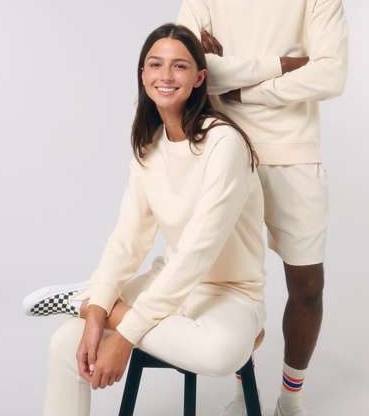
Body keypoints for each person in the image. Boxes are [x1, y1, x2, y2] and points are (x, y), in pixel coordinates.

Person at [175, 0, 348, 416]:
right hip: (224, 150)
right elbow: (190, 67)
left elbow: (331, 73)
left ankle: (289, 398)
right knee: (230, 286)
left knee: (307, 286)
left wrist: (239, 83)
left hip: (294, 151)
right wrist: (280, 63)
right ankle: (240, 387)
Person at [27, 23, 270, 416]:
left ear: (199, 78)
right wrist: (98, 316)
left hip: (231, 292)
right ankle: (95, 300)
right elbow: (128, 240)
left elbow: (198, 252)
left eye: (179, 66)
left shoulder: (224, 144)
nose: (166, 75)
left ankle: (93, 300)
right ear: (143, 75)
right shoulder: (149, 147)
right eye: (155, 64)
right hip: (169, 283)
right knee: (63, 343)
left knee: (218, 354)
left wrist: (122, 331)